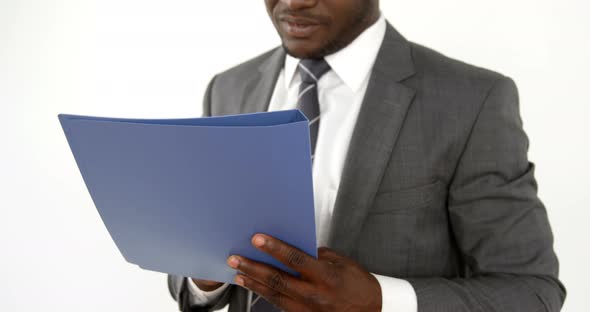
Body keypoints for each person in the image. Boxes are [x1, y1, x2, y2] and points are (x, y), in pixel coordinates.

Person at [168, 0, 566, 311]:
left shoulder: (471, 100)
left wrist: (380, 301)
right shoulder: (228, 89)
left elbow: (531, 292)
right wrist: (205, 277)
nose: (294, 4)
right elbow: (196, 275)